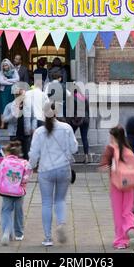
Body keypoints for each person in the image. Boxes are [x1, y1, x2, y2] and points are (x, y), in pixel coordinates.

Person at [28, 102, 78, 247]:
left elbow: (34, 154)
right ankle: (61, 223)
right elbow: (74, 148)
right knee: (60, 200)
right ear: (56, 113)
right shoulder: (67, 128)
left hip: (45, 170)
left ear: (43, 114)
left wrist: (29, 168)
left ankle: (48, 237)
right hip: (63, 168)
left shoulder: (39, 132)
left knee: (47, 203)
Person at [99, 126, 134, 250]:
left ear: (113, 136)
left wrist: (107, 167)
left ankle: (121, 241)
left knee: (118, 212)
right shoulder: (128, 148)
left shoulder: (110, 148)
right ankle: (130, 228)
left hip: (116, 184)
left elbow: (104, 165)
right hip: (130, 184)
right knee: (127, 210)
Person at [0, 141, 31, 246]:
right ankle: (19, 234)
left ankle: (7, 231)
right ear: (19, 154)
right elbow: (27, 176)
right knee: (19, 211)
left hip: (6, 191)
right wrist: (22, 184)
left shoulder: (4, 162)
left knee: (6, 210)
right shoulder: (24, 163)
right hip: (19, 192)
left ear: (8, 153)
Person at [68, 86, 90, 164]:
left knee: (71, 135)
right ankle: (86, 156)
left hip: (76, 120)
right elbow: (87, 110)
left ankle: (73, 152)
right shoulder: (84, 98)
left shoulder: (72, 99)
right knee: (84, 138)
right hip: (85, 120)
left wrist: (71, 119)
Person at [0, 59, 19, 129]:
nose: (5, 67)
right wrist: (11, 82)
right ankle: (2, 123)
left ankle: (12, 123)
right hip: (4, 91)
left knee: (12, 106)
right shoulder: (1, 72)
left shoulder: (14, 71)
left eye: (6, 65)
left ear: (9, 65)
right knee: (3, 106)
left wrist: (7, 80)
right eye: (4, 65)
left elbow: (17, 79)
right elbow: (1, 82)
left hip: (12, 91)